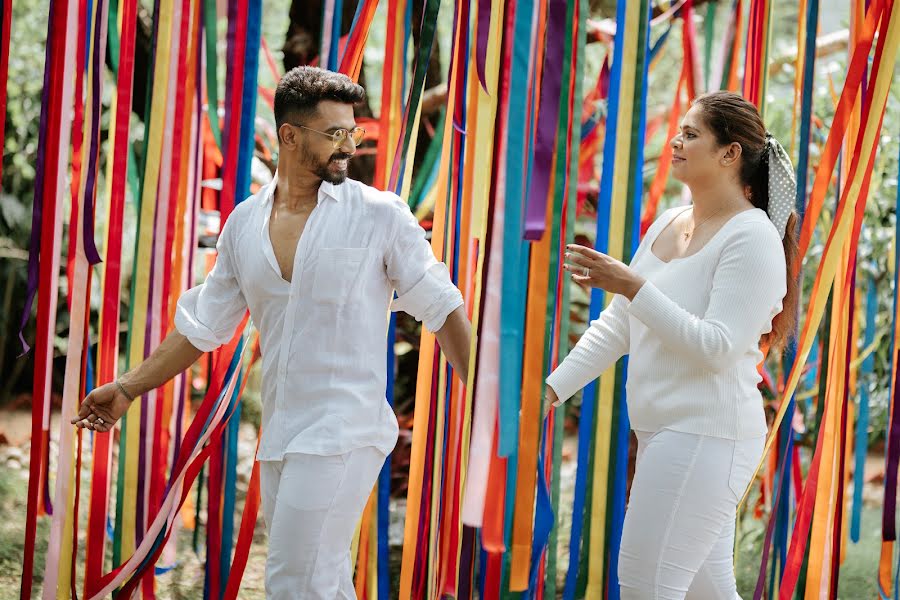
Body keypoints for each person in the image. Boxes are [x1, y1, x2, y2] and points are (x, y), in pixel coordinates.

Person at [73, 66, 472, 599]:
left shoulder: (379, 215)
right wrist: (127, 388)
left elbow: (442, 307)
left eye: (352, 132)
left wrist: (487, 403)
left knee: (291, 584)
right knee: (322, 583)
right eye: (334, 133)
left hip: (345, 430)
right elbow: (201, 326)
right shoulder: (243, 223)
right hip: (282, 433)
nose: (348, 145)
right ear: (289, 135)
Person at [544, 90, 799, 599]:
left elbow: (717, 348)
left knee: (644, 586)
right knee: (708, 592)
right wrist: (549, 395)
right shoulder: (667, 222)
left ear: (730, 154)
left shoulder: (752, 238)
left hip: (708, 434)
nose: (674, 143)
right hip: (667, 432)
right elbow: (619, 327)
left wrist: (634, 286)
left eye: (690, 134)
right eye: (678, 131)